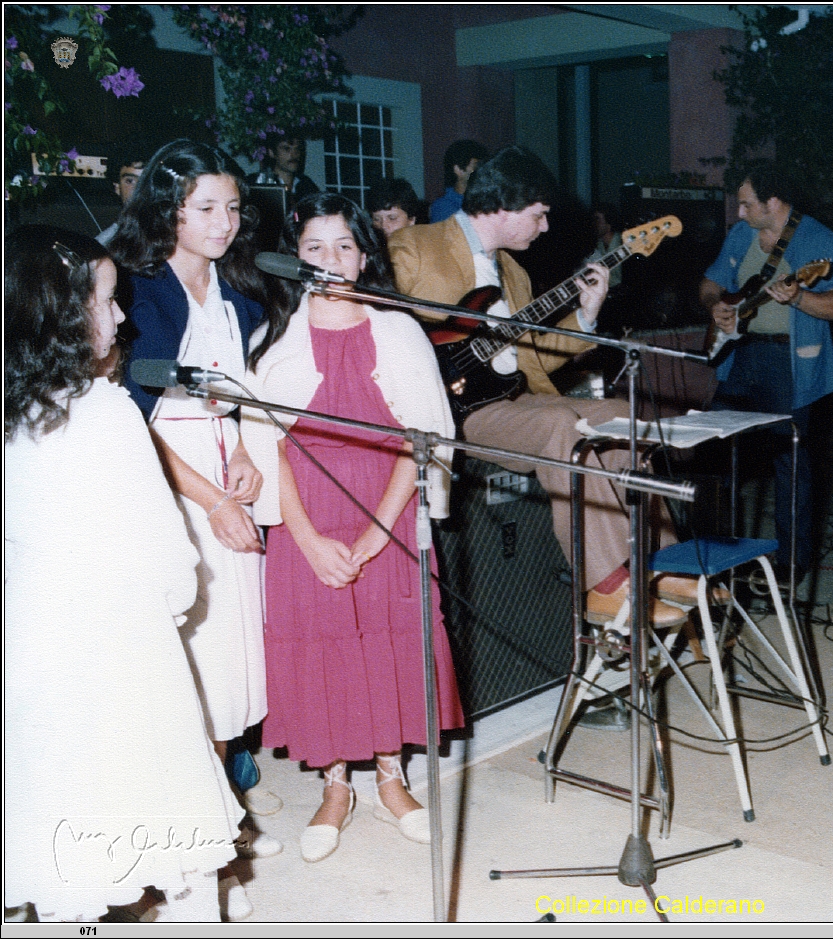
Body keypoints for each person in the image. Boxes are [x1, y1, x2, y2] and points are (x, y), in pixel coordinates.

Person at [4, 227, 241, 922]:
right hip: (120, 651)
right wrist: (166, 602)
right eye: (105, 301)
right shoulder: (107, 411)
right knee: (180, 835)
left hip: (31, 655)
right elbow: (172, 568)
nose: (120, 317)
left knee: (61, 834)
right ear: (59, 316)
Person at [242, 194, 464, 861]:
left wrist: (373, 537)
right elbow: (265, 446)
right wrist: (307, 539)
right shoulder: (272, 336)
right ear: (293, 256)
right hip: (303, 514)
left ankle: (392, 780)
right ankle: (335, 785)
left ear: (366, 257)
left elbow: (419, 440)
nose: (330, 260)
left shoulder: (396, 330)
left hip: (386, 509)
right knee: (325, 644)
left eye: (344, 246)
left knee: (387, 641)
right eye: (314, 247)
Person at [389, 146, 689, 624]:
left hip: (510, 397)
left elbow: (534, 350)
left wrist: (587, 314)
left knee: (620, 417)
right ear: (506, 206)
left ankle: (660, 564)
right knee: (560, 427)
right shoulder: (413, 247)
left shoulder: (514, 273)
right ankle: (606, 585)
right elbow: (381, 323)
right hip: (450, 408)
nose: (545, 227)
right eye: (539, 214)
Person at [109, 140, 282, 869]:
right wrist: (212, 499)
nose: (225, 222)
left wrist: (241, 448)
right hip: (168, 479)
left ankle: (224, 800)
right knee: (195, 658)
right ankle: (206, 831)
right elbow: (133, 421)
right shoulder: (138, 291)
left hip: (220, 464)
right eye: (205, 207)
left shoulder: (239, 288)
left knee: (237, 652)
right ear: (167, 209)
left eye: (234, 207)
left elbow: (238, 394)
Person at [700, 162, 833, 577]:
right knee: (717, 452)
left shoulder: (820, 240)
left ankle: (790, 565)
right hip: (741, 356)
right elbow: (710, 282)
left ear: (774, 202)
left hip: (788, 364)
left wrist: (798, 297)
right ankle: (717, 558)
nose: (740, 213)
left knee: (791, 465)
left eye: (747, 205)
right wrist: (716, 305)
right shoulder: (740, 235)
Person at [95, 139, 148, 246]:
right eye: (130, 181)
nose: (139, 189)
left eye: (146, 181)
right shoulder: (104, 245)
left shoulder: (180, 239)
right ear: (117, 187)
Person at [427, 138, 490, 224]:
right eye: (476, 166)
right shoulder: (444, 207)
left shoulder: (485, 201)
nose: (482, 171)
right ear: (458, 170)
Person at [248, 134, 320, 202]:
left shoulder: (307, 186)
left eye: (297, 148)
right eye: (286, 149)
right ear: (272, 152)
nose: (294, 154)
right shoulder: (258, 183)